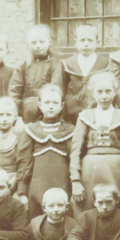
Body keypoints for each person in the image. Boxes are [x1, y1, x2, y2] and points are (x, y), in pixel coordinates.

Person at [69, 72, 120, 215]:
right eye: (99, 92)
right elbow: (75, 150)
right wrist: (75, 180)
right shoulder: (84, 116)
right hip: (90, 171)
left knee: (117, 209)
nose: (104, 96)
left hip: (116, 169)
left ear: (115, 92)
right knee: (89, 209)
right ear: (93, 94)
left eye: (108, 91)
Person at [15, 83, 76, 219]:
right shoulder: (30, 129)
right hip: (37, 185)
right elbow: (24, 162)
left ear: (61, 106)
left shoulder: (70, 129)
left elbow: (74, 160)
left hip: (63, 183)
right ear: (40, 105)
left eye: (55, 102)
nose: (51, 106)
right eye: (47, 102)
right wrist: (22, 192)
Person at [8, 24, 64, 123]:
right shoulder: (23, 65)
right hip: (26, 111)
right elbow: (14, 90)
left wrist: (46, 103)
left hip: (47, 107)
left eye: (41, 42)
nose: (38, 46)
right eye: (33, 42)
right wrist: (16, 114)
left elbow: (55, 87)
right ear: (28, 44)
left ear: (49, 42)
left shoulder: (55, 63)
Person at [61, 24, 110, 123]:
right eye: (82, 40)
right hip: (72, 109)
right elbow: (62, 86)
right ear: (76, 43)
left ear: (97, 42)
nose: (86, 44)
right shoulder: (68, 64)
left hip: (96, 107)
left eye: (90, 40)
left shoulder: (105, 63)